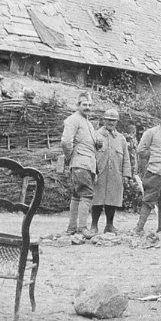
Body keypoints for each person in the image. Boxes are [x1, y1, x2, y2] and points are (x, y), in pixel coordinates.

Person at [89, 108, 136, 234]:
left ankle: (109, 225)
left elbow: (126, 158)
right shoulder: (95, 135)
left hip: (115, 174)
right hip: (100, 173)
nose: (111, 123)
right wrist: (92, 172)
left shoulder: (121, 139)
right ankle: (94, 225)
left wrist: (126, 175)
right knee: (97, 200)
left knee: (112, 200)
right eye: (109, 120)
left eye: (114, 121)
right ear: (103, 120)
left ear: (117, 122)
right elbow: (90, 155)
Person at [60, 96, 101, 237]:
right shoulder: (73, 119)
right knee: (87, 193)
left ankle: (72, 228)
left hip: (88, 163)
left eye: (90, 104)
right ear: (78, 105)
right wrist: (70, 157)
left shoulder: (87, 122)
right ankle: (82, 228)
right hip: (80, 162)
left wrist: (97, 143)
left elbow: (88, 141)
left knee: (77, 194)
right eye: (84, 104)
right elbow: (66, 142)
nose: (88, 107)